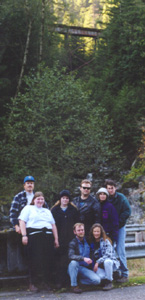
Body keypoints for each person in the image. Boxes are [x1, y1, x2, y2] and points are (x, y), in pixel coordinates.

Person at [18, 191, 59, 292]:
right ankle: (33, 283)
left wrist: (56, 239)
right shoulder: (28, 208)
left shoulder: (47, 211)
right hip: (34, 237)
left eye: (42, 199)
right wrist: (24, 235)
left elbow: (53, 225)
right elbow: (22, 221)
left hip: (48, 237)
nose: (40, 201)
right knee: (34, 260)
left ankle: (45, 282)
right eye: (38, 199)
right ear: (34, 200)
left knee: (47, 260)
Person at [51, 189, 79, 288]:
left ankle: (70, 282)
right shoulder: (54, 210)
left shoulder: (73, 210)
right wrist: (55, 239)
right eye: (63, 198)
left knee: (70, 260)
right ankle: (59, 282)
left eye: (67, 198)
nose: (65, 200)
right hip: (59, 239)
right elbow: (52, 225)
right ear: (60, 199)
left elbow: (77, 223)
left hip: (71, 240)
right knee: (59, 262)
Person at [105, 179, 131, 283]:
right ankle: (115, 273)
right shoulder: (104, 198)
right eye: (108, 188)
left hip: (119, 227)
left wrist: (118, 221)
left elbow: (127, 211)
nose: (110, 190)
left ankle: (124, 273)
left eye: (112, 188)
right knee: (109, 250)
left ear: (115, 188)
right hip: (108, 228)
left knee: (120, 250)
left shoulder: (121, 198)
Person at [68, 223, 101, 293]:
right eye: (79, 230)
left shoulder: (88, 240)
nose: (81, 232)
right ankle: (73, 286)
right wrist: (83, 258)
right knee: (73, 263)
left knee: (97, 280)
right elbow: (71, 256)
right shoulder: (72, 243)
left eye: (82, 230)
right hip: (75, 267)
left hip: (85, 268)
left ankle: (81, 282)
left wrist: (96, 263)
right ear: (75, 232)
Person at [89, 223, 120, 291]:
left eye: (98, 231)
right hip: (99, 267)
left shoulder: (106, 241)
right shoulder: (91, 242)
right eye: (95, 231)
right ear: (92, 232)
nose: (96, 233)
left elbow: (108, 255)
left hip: (109, 263)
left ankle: (109, 282)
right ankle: (112, 275)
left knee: (107, 261)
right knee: (100, 278)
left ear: (101, 232)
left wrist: (97, 262)